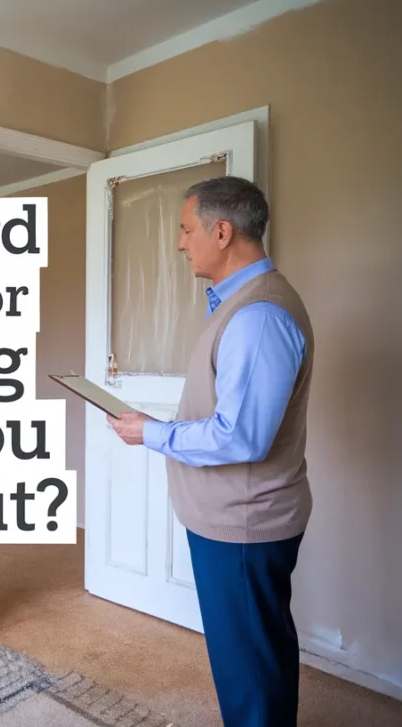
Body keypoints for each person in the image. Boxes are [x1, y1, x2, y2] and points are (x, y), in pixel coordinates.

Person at [106, 176, 314, 727]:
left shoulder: (259, 316)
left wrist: (151, 432)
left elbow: (240, 436)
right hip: (236, 520)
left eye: (185, 229)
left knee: (249, 669)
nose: (180, 243)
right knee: (254, 654)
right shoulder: (237, 305)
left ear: (221, 232)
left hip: (244, 526)